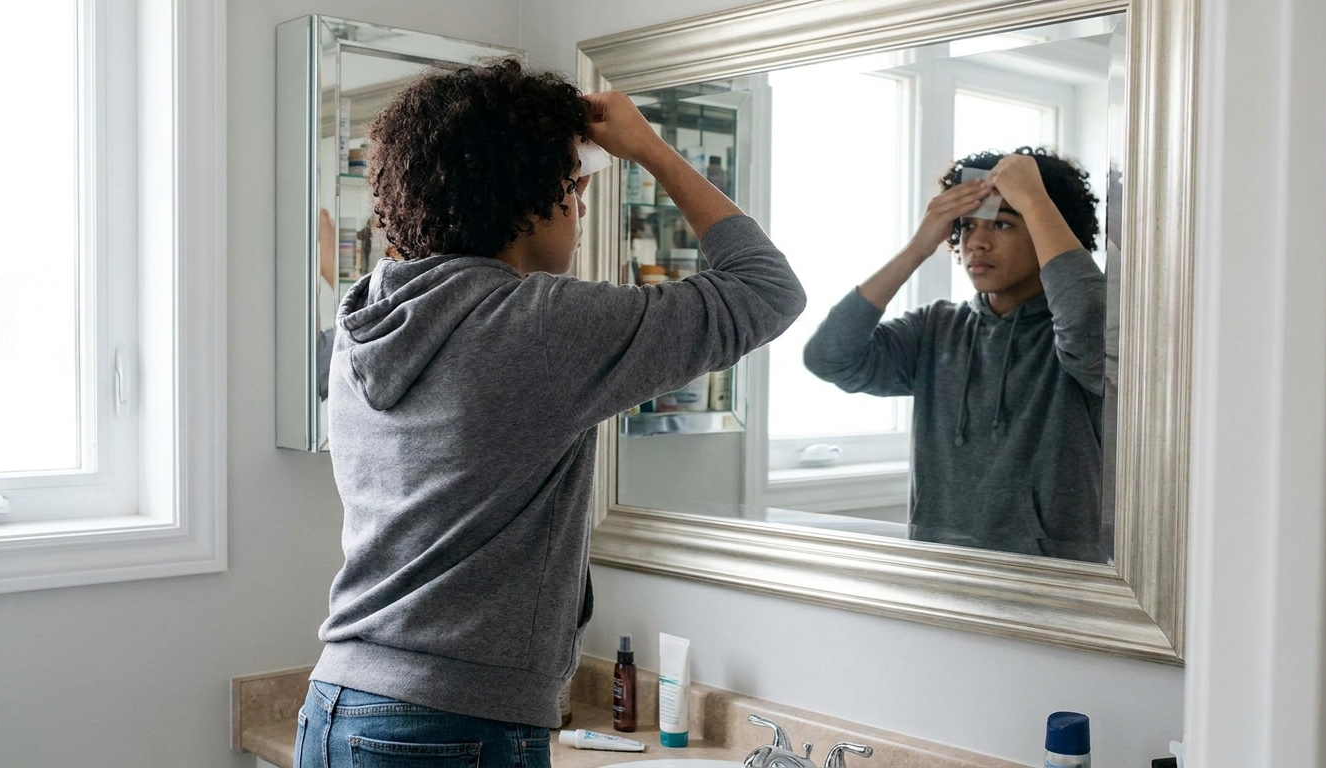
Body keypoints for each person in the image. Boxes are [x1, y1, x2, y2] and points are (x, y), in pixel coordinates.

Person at [296, 58, 805, 768]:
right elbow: (767, 291)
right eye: (571, 186)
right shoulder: (535, 324)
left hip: (336, 705)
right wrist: (650, 149)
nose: (582, 206)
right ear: (530, 196)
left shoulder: (369, 312)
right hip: (453, 724)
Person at [802, 147, 1105, 562]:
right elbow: (830, 358)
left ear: (1046, 228)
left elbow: (1089, 328)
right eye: (964, 227)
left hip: (1052, 587)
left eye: (1002, 224)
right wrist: (917, 248)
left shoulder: (1077, 336)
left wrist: (1034, 200)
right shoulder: (935, 328)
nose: (976, 243)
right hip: (941, 579)